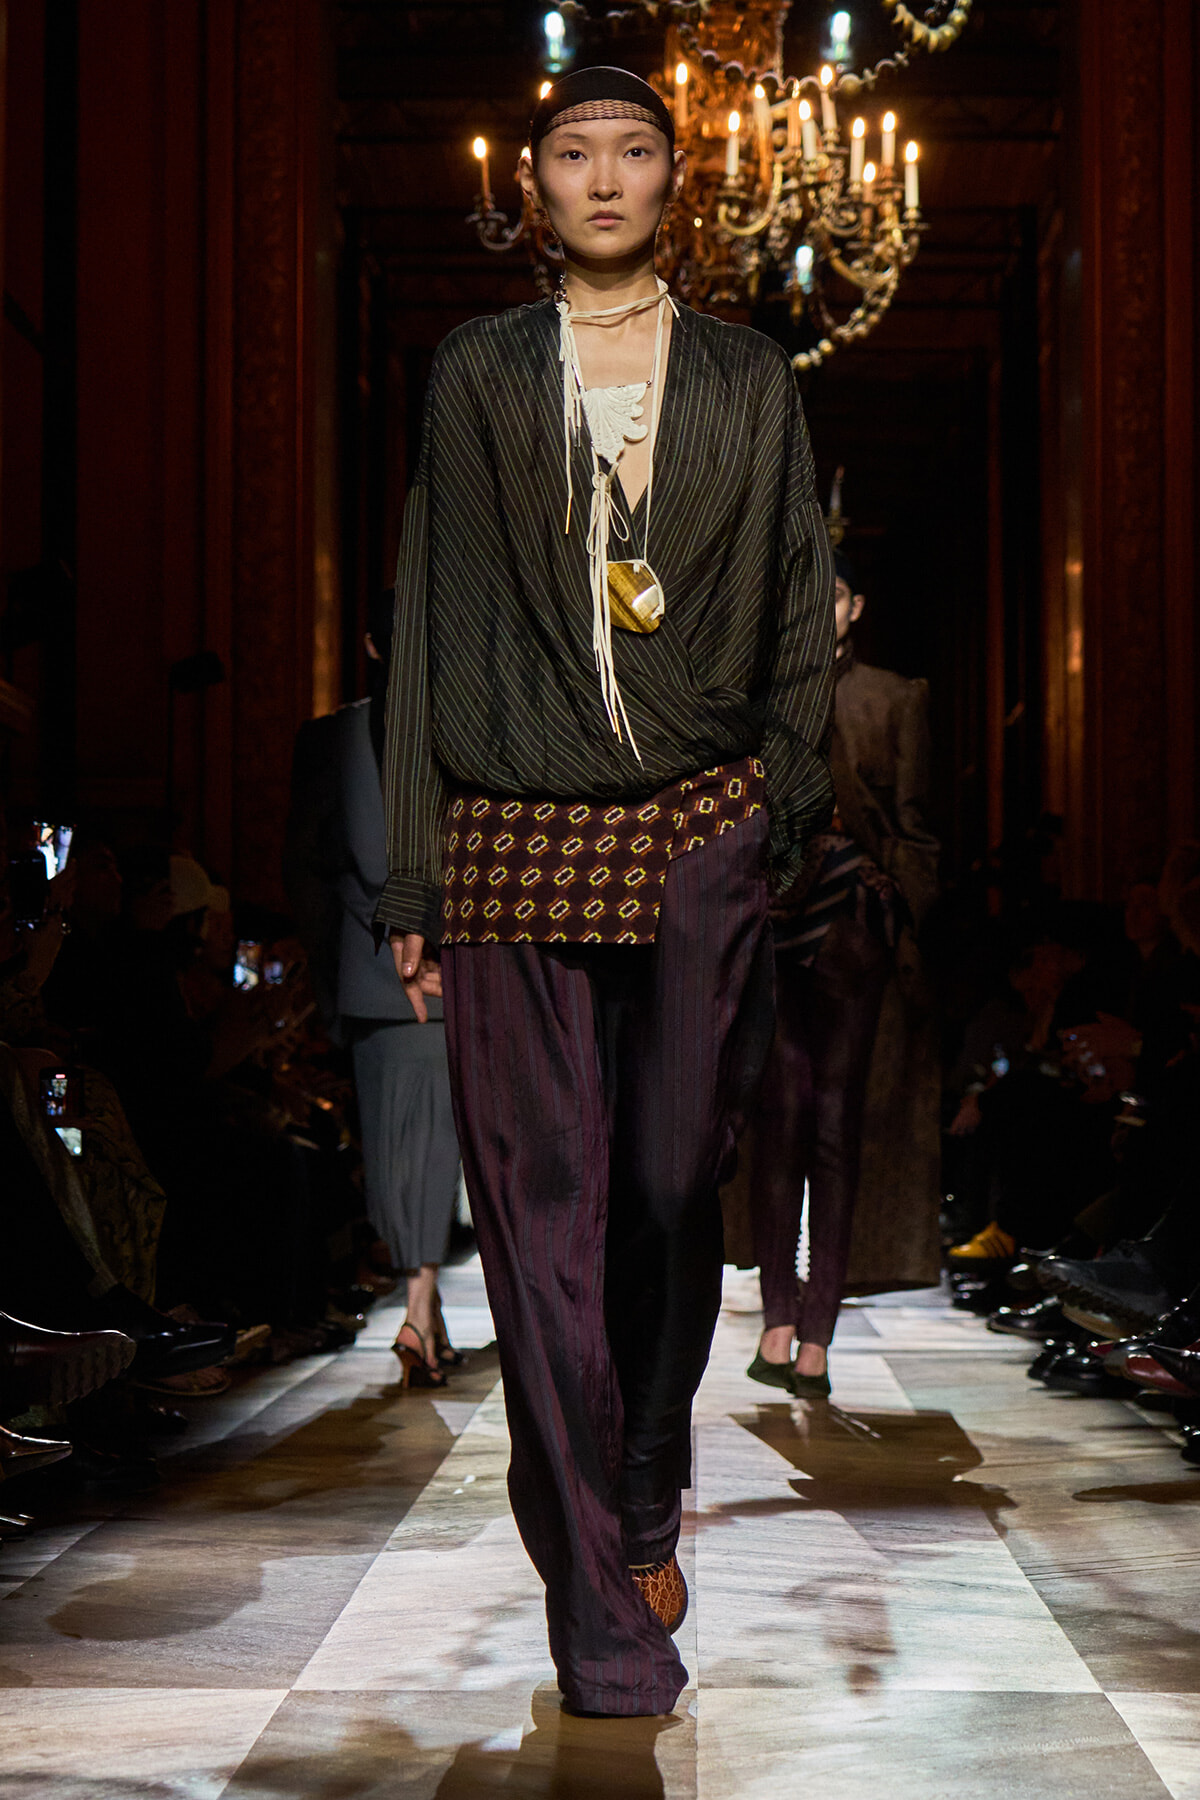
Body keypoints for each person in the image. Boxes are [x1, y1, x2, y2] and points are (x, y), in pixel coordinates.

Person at [374, 65, 835, 1719]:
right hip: (510, 826)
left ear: (674, 179)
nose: (607, 177)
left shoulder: (746, 376)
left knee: (657, 1194)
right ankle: (604, 1610)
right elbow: (427, 612)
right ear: (535, 184)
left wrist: (785, 810)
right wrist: (415, 864)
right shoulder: (480, 372)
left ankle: (646, 1473)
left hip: (706, 818)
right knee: (539, 1225)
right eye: (575, 153)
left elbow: (796, 590)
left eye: (636, 151)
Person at [739, 551, 940, 1397]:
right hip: (771, 925)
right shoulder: (757, 698)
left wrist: (900, 914)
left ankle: (815, 1332)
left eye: (832, 598)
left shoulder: (894, 697)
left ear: (857, 607)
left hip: (852, 928)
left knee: (833, 1126)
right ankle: (778, 1320)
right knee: (776, 1119)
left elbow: (918, 830)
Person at [284, 591, 461, 1388]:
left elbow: (312, 874)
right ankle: (422, 1307)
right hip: (423, 973)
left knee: (407, 1141)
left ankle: (420, 1305)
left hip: (387, 973)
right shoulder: (448, 735)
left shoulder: (337, 740)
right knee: (418, 1142)